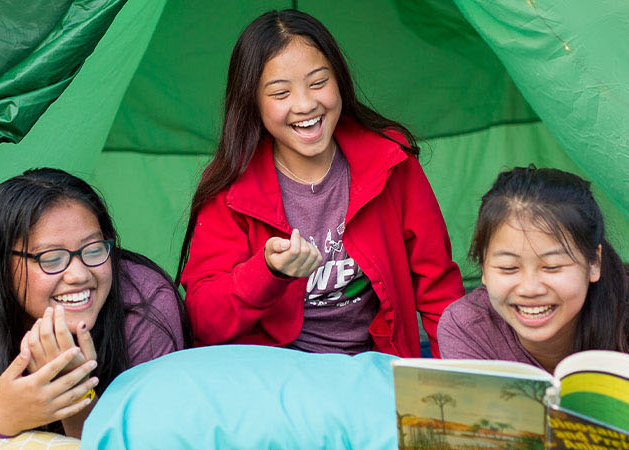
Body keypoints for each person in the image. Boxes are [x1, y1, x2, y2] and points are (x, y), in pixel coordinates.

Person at [178, 10, 462, 357]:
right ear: (253, 102)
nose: (306, 104)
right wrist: (267, 272)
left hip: (374, 366)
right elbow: (204, 320)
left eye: (318, 82)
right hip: (271, 374)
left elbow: (438, 287)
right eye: (280, 93)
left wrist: (459, 378)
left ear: (339, 80)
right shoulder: (230, 186)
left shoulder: (391, 160)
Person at [0, 168, 187, 445]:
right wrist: (0, 419)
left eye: (93, 250)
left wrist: (75, 392)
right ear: (1, 266)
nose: (79, 275)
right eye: (51, 259)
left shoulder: (143, 304)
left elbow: (153, 443)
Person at [438, 167, 629, 372]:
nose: (530, 288)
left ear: (593, 263)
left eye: (552, 267)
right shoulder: (466, 327)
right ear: (483, 268)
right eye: (509, 268)